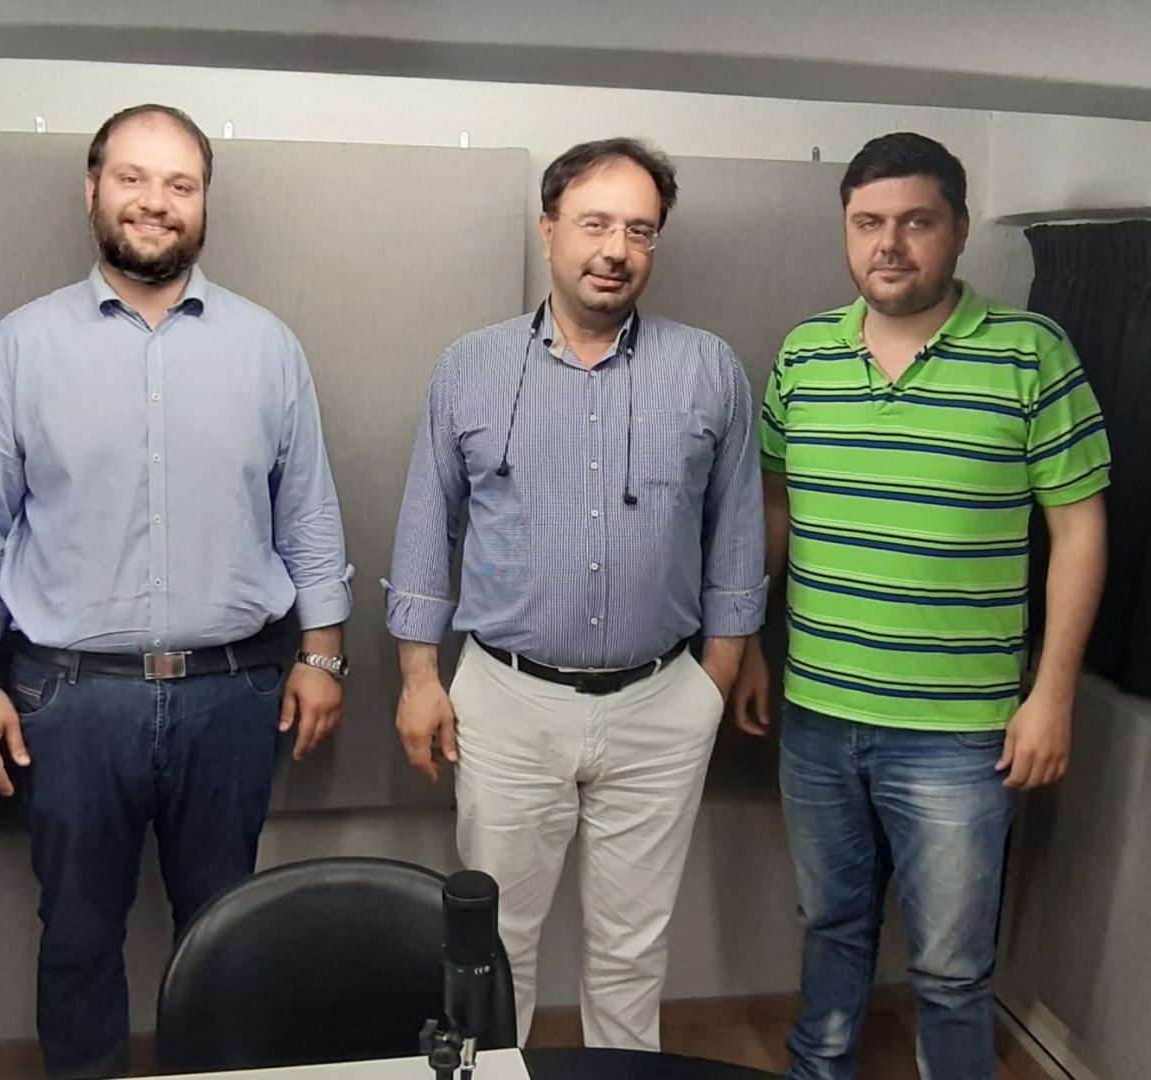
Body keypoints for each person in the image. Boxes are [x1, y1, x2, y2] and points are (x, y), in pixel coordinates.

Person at [0, 103, 353, 1078]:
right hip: (70, 700)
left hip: (234, 694)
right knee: (78, 935)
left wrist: (323, 657)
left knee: (226, 930)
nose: (154, 202)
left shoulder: (267, 346)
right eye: (132, 178)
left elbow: (309, 514)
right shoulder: (22, 346)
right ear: (92, 190)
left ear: (203, 203)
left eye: (179, 184)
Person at [732, 131, 1111, 1080]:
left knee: (948, 967)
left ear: (960, 230)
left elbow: (1078, 531)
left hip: (960, 733)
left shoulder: (1029, 354)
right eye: (867, 222)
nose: (888, 244)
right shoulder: (804, 354)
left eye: (914, 221)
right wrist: (748, 644)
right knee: (829, 923)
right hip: (818, 716)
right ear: (845, 230)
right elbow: (775, 506)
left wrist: (1051, 695)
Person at [385, 138, 766, 1049]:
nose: (615, 250)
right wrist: (417, 677)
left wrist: (710, 685)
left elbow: (737, 532)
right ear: (548, 229)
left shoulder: (707, 369)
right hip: (506, 704)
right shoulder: (470, 367)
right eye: (595, 224)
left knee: (632, 949)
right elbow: (426, 524)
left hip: (661, 703)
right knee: (495, 949)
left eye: (639, 230)